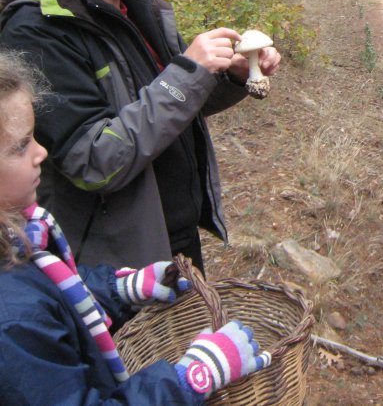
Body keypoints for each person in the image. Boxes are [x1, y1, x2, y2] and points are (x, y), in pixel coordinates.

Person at [0, 0, 281, 272]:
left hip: (172, 238)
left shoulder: (138, 4)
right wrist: (188, 74)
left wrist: (231, 76)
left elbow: (171, 110)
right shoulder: (38, 30)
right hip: (113, 267)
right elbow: (93, 160)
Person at [0, 49, 270, 405]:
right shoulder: (12, 323)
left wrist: (117, 289)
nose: (42, 153)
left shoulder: (21, 238)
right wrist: (188, 380)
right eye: (21, 146)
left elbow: (49, 293)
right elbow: (98, 158)